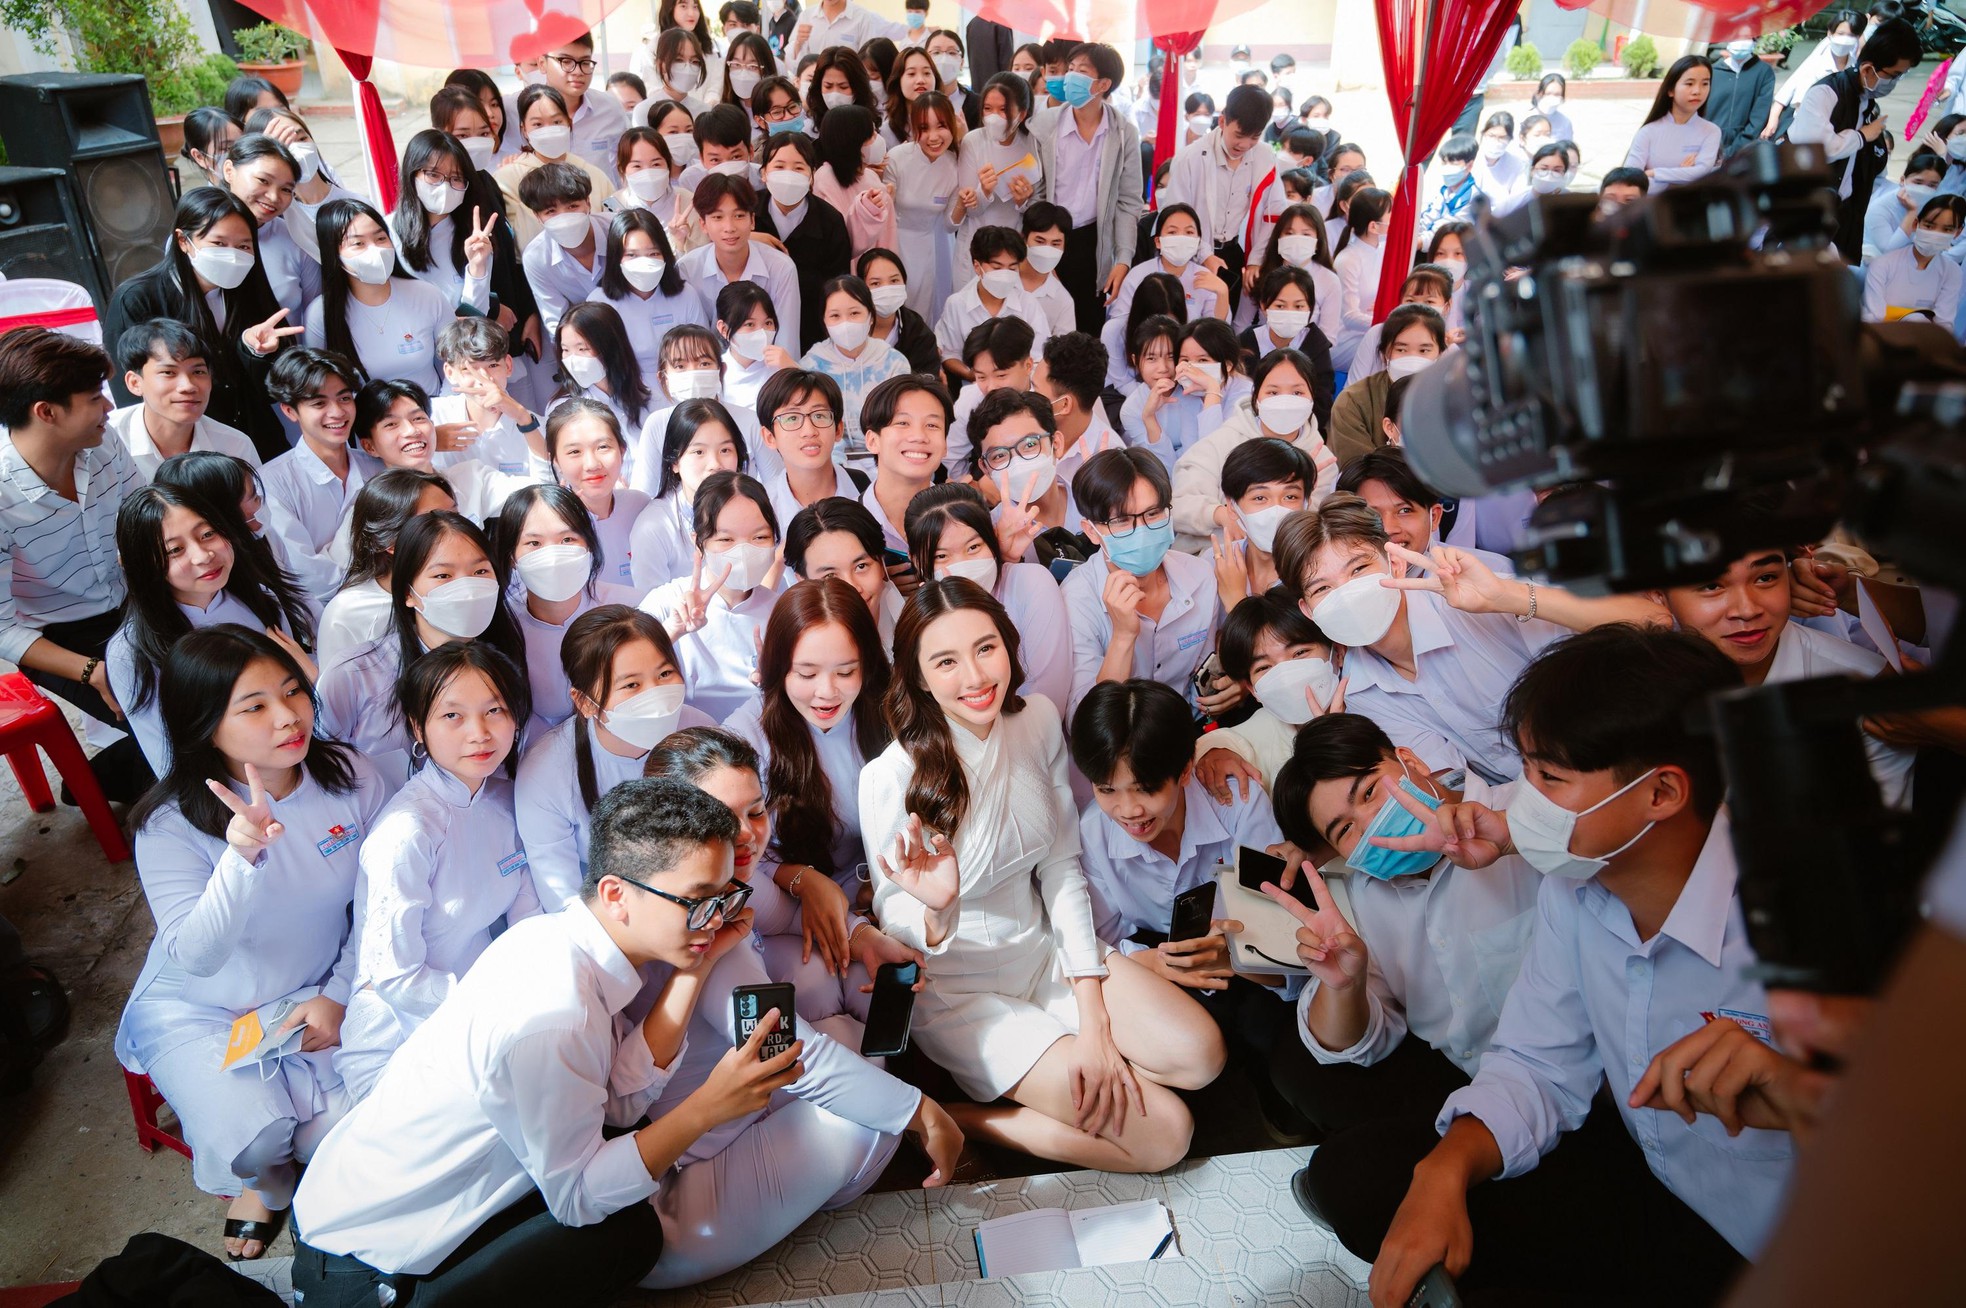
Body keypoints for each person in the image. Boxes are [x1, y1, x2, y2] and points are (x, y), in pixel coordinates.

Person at [1348, 626, 1796, 1307]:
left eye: (1550, 778)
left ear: (1663, 793)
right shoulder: (1577, 882)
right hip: (1656, 1183)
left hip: (1796, 1249)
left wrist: (1808, 1094)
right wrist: (1444, 1169)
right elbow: (1539, 1061)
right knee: (1360, 1179)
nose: (1522, 801)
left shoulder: (1812, 923)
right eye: (1524, 771)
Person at [290, 776, 788, 1304]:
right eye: (698, 902)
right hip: (364, 1273)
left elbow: (614, 1107)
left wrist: (699, 961)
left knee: (633, 1153)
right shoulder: (558, 1014)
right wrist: (707, 1108)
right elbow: (577, 1197)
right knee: (626, 1238)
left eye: (725, 897)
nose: (715, 919)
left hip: (343, 1210)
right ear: (616, 894)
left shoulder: (548, 939)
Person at [862, 579, 1226, 1169]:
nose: (976, 677)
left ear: (1009, 645)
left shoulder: (1037, 720)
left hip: (1042, 950)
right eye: (946, 661)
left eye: (987, 648)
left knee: (1201, 1054)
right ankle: (964, 1117)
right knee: (1167, 1136)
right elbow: (897, 926)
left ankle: (1072, 1063)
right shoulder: (890, 774)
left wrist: (1092, 1015)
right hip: (961, 992)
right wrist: (937, 906)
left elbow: (1061, 868)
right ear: (920, 677)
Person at [117, 628, 385, 1261]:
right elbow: (197, 957)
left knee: (341, 1135)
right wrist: (242, 856)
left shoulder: (349, 776)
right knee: (253, 1143)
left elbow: (380, 908)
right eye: (254, 705)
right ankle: (265, 1186)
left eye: (292, 690)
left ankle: (285, 1167)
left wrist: (340, 994)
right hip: (203, 1006)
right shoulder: (167, 826)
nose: (289, 716)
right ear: (205, 725)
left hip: (312, 989)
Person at [1266, 710, 1541, 1183]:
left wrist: (1519, 838)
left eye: (1371, 792)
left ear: (1410, 761)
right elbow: (1353, 1042)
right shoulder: (1363, 897)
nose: (1373, 824)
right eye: (1345, 830)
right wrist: (1345, 985)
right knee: (1297, 1069)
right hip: (1465, 1083)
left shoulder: (1523, 807)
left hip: (1574, 1081)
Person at [1271, 494, 1668, 783]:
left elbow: (1652, 622)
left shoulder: (1473, 601)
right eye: (1323, 589)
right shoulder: (1360, 695)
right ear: (1309, 610)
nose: (1346, 593)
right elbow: (1456, 789)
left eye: (1358, 569)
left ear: (1393, 562)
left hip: (1631, 769)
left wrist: (1504, 597)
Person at [1070, 678, 1307, 1137]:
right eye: (1107, 790)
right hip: (1153, 955)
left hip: (1246, 949)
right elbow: (1103, 937)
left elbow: (1274, 915)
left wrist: (1239, 958)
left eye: (1144, 788)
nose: (1128, 810)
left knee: (1271, 1029)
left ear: (1184, 770)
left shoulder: (1234, 799)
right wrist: (1153, 964)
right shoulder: (1092, 835)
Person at [335, 642, 539, 1102]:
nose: (479, 733)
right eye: (453, 716)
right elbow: (396, 978)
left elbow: (528, 916)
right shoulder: (408, 832)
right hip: (399, 1037)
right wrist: (494, 1008)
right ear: (417, 727)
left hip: (485, 1015)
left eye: (495, 710)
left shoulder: (507, 801)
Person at [0, 329, 152, 797]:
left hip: (131, 606)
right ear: (46, 412)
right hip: (57, 638)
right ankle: (94, 781)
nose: (109, 408)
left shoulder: (102, 446)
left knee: (217, 699)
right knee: (167, 724)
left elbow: (145, 520)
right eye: (94, 397)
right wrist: (94, 671)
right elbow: (3, 630)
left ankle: (110, 776)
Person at [1655, 540, 1916, 807]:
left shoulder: (1858, 686)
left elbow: (1868, 831)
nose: (1747, 610)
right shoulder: (1639, 682)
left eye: (1766, 578)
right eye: (1711, 586)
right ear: (1658, 594)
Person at [107, 481, 314, 774]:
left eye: (207, 534)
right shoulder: (131, 652)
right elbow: (166, 757)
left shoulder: (261, 600)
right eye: (175, 550)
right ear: (144, 562)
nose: (203, 555)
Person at [515, 605, 715, 907]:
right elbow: (563, 898)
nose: (655, 695)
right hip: (606, 923)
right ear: (585, 702)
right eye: (632, 685)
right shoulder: (546, 774)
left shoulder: (703, 734)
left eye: (664, 674)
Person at [318, 511, 526, 787]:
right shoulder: (356, 674)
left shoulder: (508, 659)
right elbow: (320, 765)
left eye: (480, 572)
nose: (467, 589)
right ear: (407, 593)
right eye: (443, 575)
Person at [723, 576, 890, 912]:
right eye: (806, 674)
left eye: (845, 673)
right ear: (777, 668)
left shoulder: (890, 711)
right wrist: (796, 877)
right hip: (783, 903)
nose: (827, 693)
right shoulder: (745, 735)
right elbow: (729, 857)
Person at [104, 188, 299, 462]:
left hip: (255, 439)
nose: (233, 255)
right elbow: (132, 394)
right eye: (219, 244)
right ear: (183, 241)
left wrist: (257, 352)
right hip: (184, 450)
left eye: (244, 245)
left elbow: (273, 387)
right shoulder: (137, 298)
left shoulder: (247, 289)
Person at [1062, 447, 1227, 720]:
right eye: (1122, 520)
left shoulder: (1200, 577)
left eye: (1153, 514)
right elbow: (1086, 723)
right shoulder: (1075, 599)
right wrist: (1123, 637)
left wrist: (1226, 690)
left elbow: (1202, 679)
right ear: (1092, 531)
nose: (1142, 531)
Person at [905, 477, 1073, 709]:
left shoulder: (1031, 583)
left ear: (992, 539)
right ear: (918, 562)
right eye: (941, 556)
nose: (962, 565)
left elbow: (1048, 698)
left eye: (973, 548)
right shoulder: (918, 615)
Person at [494, 485, 641, 734]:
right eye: (534, 543)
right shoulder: (502, 625)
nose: (552, 555)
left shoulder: (630, 608)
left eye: (567, 539)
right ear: (512, 557)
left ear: (589, 545)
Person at [639, 471, 785, 718]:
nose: (743, 552)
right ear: (699, 542)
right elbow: (619, 671)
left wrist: (777, 684)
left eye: (759, 537)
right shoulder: (667, 602)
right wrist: (672, 631)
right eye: (726, 539)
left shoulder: (782, 611)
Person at [1027, 42, 1143, 333]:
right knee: (1042, 322)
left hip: (1094, 240)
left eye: (1081, 72)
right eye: (1071, 69)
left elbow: (1129, 201)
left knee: (1087, 325)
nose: (1070, 77)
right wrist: (1042, 246)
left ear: (1103, 84)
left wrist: (1123, 259)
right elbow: (1036, 192)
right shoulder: (1044, 126)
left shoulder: (1123, 133)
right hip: (1050, 234)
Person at [1171, 347, 1336, 551]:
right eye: (1273, 392)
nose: (1284, 401)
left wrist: (1305, 497)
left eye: (1297, 392)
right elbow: (1178, 506)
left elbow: (1322, 531)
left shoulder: (1322, 460)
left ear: (1312, 398)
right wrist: (1220, 514)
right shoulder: (1221, 442)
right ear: (1256, 396)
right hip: (1213, 558)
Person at [1790, 16, 1920, 262]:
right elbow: (1815, 146)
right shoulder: (1827, 92)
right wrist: (1861, 137)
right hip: (1811, 209)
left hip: (1846, 211)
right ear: (1868, 69)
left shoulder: (1867, 102)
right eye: (1893, 74)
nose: (1894, 82)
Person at [1158, 84, 1289, 317]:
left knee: (1230, 321)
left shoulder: (1264, 156)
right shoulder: (1191, 157)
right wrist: (1205, 255)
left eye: (1254, 137)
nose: (1245, 145)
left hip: (1234, 254)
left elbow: (1273, 213)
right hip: (1193, 252)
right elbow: (1173, 216)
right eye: (1239, 135)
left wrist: (1256, 261)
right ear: (1222, 121)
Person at [302, 198, 455, 392]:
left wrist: (444, 413)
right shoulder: (320, 314)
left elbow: (455, 368)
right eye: (358, 243)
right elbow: (320, 389)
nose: (375, 249)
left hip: (433, 414)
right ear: (334, 254)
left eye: (381, 238)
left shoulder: (428, 296)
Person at [1190, 592, 1337, 788]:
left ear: (1338, 652)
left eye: (1300, 653)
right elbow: (1224, 741)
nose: (1285, 676)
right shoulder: (1264, 728)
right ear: (1253, 689)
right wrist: (1214, 753)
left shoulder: (1376, 704)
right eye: (1264, 668)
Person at [261, 349, 371, 607]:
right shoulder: (271, 483)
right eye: (319, 403)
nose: (337, 412)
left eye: (344, 398)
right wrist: (373, 569)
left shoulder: (376, 467)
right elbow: (307, 578)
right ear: (290, 411)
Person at [317, 469, 457, 670]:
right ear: (390, 541)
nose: (456, 531)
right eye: (433, 523)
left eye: (456, 516)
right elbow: (339, 696)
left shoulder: (472, 583)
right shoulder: (348, 614)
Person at [108, 320, 262, 483]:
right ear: (135, 383)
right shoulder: (107, 439)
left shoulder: (235, 446)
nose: (188, 386)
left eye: (198, 371)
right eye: (168, 372)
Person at [628, 398, 750, 589]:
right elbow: (649, 609)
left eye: (725, 450)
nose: (715, 464)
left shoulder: (753, 509)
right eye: (699, 452)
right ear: (675, 462)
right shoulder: (654, 527)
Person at [587, 208, 716, 384]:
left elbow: (702, 353)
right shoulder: (599, 302)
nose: (644, 262)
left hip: (681, 387)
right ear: (616, 258)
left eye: (653, 253)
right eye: (631, 255)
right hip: (625, 392)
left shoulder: (685, 295)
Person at [676, 174, 804, 352]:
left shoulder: (781, 268)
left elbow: (787, 343)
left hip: (767, 370)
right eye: (717, 217)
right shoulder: (687, 269)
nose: (729, 227)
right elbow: (693, 343)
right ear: (703, 224)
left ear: (752, 220)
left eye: (738, 215)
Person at [755, 131, 853, 350]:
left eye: (798, 168)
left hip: (811, 328)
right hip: (754, 325)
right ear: (763, 173)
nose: (788, 175)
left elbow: (838, 284)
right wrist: (747, 238)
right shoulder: (748, 212)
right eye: (779, 167)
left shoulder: (830, 221)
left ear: (811, 176)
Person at [545, 399, 652, 595]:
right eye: (574, 452)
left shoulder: (640, 506)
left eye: (603, 447)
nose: (592, 464)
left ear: (622, 450)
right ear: (556, 461)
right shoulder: (546, 525)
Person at [495, 85, 618, 252]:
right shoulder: (506, 179)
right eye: (538, 124)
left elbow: (615, 224)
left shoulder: (594, 175)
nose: (549, 130)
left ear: (569, 122)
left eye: (557, 122)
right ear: (524, 130)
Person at [1202, 437, 1320, 610]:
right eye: (1260, 498)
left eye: (1290, 497)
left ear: (1306, 503)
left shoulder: (1319, 570)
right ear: (1232, 507)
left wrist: (1236, 602)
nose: (1276, 510)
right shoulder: (1213, 564)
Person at [1120, 318, 1250, 474]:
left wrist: (1212, 390)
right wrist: (1149, 417)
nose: (1162, 368)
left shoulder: (1194, 391)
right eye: (1151, 358)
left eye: (1170, 357)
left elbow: (1214, 454)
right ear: (1135, 360)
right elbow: (1172, 464)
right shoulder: (1132, 408)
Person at [799, 275, 910, 451]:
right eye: (835, 315)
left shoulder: (894, 362)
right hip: (829, 459)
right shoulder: (811, 365)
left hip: (884, 457)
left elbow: (902, 422)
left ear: (871, 316)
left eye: (854, 313)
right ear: (824, 321)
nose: (846, 323)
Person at [217, 134, 317, 325]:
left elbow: (315, 312)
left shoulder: (296, 239)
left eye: (286, 189)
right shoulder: (196, 233)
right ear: (229, 170)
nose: (273, 197)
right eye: (263, 180)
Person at [953, 74, 1042, 288]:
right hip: (975, 246)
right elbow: (970, 208)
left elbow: (1037, 207)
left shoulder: (1033, 144)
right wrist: (984, 191)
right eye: (987, 109)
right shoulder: (973, 141)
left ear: (1021, 114)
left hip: (1014, 250)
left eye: (1003, 110)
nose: (994, 117)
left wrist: (1022, 202)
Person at [1329, 304, 1445, 467]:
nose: (1412, 358)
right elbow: (1358, 470)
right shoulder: (1352, 402)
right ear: (1385, 353)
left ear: (1440, 354)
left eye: (1424, 351)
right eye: (1401, 349)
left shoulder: (1456, 400)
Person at [935, 226, 1054, 383]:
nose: (1005, 274)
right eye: (997, 268)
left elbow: (1040, 355)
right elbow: (950, 354)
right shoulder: (957, 304)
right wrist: (974, 375)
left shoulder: (1028, 303)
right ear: (977, 267)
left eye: (1012, 268)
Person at [886, 93, 965, 318]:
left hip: (936, 246)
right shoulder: (897, 158)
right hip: (897, 242)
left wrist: (963, 203)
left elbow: (951, 224)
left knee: (930, 310)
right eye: (924, 128)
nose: (933, 137)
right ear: (912, 129)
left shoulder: (954, 165)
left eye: (941, 126)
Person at [855, 374, 952, 549]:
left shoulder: (964, 520)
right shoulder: (843, 524)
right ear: (872, 441)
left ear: (945, 445)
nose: (919, 437)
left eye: (932, 425)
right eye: (902, 423)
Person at [755, 368, 862, 523]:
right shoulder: (759, 507)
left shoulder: (866, 490)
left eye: (819, 416)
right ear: (769, 437)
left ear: (838, 429)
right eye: (792, 418)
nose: (809, 431)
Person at [1237, 266, 1335, 429]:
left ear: (1310, 308)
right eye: (1280, 306)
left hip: (1301, 431)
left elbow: (1322, 402)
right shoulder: (1247, 342)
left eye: (1298, 306)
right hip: (1250, 429)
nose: (1289, 312)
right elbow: (1236, 395)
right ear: (1263, 306)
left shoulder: (1316, 345)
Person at [554, 301, 659, 442]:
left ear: (609, 347)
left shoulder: (652, 398)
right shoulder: (562, 410)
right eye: (565, 350)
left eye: (582, 349)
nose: (573, 360)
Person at [540, 27, 630, 182]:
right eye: (566, 61)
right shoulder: (519, 110)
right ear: (542, 64)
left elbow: (627, 162)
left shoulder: (609, 108)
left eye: (585, 62)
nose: (578, 71)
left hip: (601, 204)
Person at [1862, 193, 1965, 328]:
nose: (1935, 234)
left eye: (1946, 229)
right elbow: (1873, 318)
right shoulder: (1883, 264)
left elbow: (1944, 325)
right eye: (1929, 226)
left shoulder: (1951, 272)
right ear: (1916, 224)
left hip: (1921, 342)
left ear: (1957, 233)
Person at [1624, 55, 1724, 194]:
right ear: (1671, 90)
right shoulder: (1648, 132)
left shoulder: (1711, 131)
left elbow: (1702, 172)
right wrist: (1681, 175)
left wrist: (1653, 173)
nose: (1697, 91)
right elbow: (1630, 180)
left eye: (1705, 84)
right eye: (1689, 83)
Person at [1329, 186, 1391, 381]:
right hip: (1346, 338)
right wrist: (1384, 320)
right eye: (1391, 213)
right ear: (1374, 226)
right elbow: (1349, 317)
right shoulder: (1348, 259)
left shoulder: (1383, 250)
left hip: (1373, 328)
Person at [1862, 150, 1945, 260]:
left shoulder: (1931, 205)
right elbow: (1889, 250)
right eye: (1918, 182)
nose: (1924, 189)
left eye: (1932, 185)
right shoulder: (1880, 207)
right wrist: (1912, 213)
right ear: (1902, 180)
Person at [1704, 36, 1776, 158]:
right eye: (1736, 36)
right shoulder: (1712, 72)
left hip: (1743, 150)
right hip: (1708, 145)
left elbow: (1758, 117)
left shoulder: (1764, 72)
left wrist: (1732, 152)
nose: (1741, 42)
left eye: (1746, 37)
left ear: (1755, 39)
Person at [787, 0, 905, 63]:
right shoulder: (807, 16)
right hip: (815, 88)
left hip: (850, 88)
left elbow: (868, 58)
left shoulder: (862, 17)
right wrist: (798, 43)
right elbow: (794, 62)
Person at [1416, 134, 1480, 240]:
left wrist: (1418, 242)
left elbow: (1445, 230)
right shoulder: (1444, 189)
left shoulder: (1472, 198)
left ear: (1469, 166)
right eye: (1444, 162)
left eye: (1453, 163)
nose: (1447, 168)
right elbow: (1428, 216)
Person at [1469, 112, 1523, 205]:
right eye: (1491, 135)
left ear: (1510, 139)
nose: (1496, 141)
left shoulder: (1516, 164)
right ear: (1483, 134)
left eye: (1502, 138)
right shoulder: (1470, 160)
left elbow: (1517, 199)